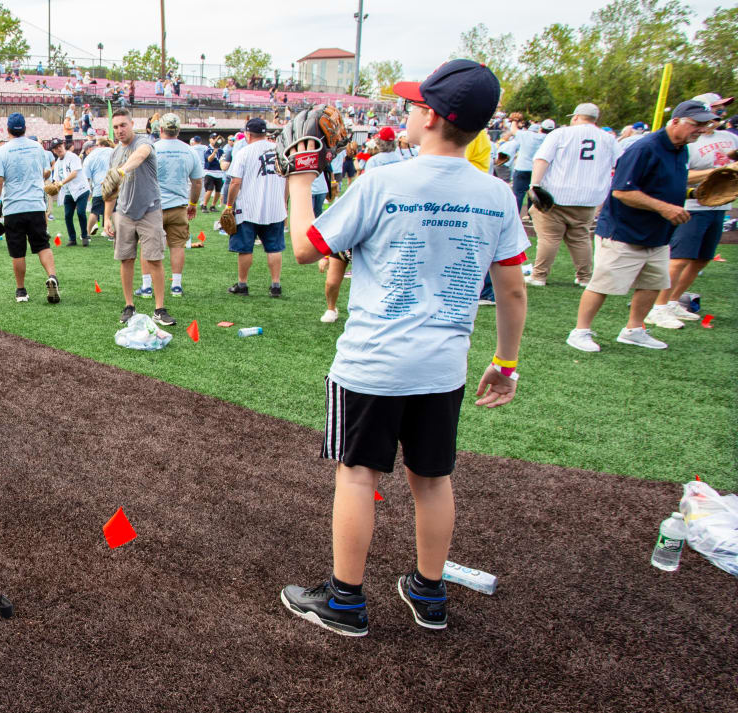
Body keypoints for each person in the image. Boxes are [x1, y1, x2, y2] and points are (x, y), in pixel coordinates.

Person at [280, 59, 529, 638]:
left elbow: (304, 248)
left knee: (358, 475)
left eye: (415, 104)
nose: (407, 111)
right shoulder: (495, 193)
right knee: (433, 478)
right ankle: (429, 591)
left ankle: (344, 601)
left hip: (373, 363)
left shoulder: (383, 181)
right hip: (443, 366)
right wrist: (507, 362)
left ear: (432, 116)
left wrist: (299, 178)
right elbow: (512, 288)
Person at [566, 100, 712, 352]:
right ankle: (580, 331)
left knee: (653, 283)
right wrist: (665, 207)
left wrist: (691, 193)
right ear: (675, 121)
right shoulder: (644, 148)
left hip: (657, 233)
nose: (700, 129)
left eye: (704, 125)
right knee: (602, 284)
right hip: (624, 231)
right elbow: (622, 191)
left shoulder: (680, 149)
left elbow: (664, 183)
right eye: (695, 124)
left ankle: (634, 329)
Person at [649, 94, 738, 328]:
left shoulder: (729, 138)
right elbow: (680, 176)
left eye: (723, 109)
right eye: (717, 108)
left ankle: (673, 301)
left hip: (720, 206)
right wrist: (720, 172)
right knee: (679, 259)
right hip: (691, 206)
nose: (721, 113)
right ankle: (657, 306)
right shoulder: (686, 142)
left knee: (702, 258)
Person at [527, 102, 619, 288]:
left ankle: (539, 275)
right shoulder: (608, 138)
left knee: (549, 238)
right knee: (581, 238)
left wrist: (535, 185)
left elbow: (542, 159)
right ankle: (584, 277)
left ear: (575, 117)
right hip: (589, 196)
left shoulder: (561, 134)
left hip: (557, 193)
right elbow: (620, 164)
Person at [103, 109, 172, 325]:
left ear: (132, 124)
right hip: (123, 212)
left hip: (149, 210)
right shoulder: (114, 153)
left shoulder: (144, 142)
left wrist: (121, 171)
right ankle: (129, 305)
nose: (119, 130)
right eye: (115, 127)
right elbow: (110, 190)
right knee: (126, 258)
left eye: (123, 125)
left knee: (154, 259)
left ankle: (159, 309)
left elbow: (140, 156)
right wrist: (106, 217)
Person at [0, 113, 61, 304]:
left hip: (14, 207)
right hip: (36, 205)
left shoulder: (1, 151)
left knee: (17, 251)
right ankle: (52, 276)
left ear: (8, 129)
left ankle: (21, 290)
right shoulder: (37, 147)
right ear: (25, 128)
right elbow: (46, 171)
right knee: (42, 245)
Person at [225, 117, 288, 297]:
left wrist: (229, 205)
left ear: (248, 134)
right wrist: (284, 202)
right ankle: (275, 284)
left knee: (245, 248)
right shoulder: (279, 151)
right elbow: (288, 179)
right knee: (274, 248)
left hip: (248, 207)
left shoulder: (244, 152)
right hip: (274, 207)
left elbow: (235, 182)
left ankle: (242, 284)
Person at [148, 112, 204, 297]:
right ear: (178, 130)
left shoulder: (152, 148)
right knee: (177, 245)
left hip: (153, 206)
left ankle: (147, 285)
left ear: (160, 129)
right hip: (178, 205)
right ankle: (176, 285)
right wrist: (193, 203)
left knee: (148, 246)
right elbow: (197, 182)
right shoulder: (189, 151)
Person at [49, 140, 91, 247]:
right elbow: (56, 180)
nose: (59, 149)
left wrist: (61, 183)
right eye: (56, 148)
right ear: (53, 151)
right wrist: (53, 186)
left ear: (63, 145)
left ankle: (85, 236)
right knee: (68, 216)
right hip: (68, 192)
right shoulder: (57, 163)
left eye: (60, 146)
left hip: (81, 189)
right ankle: (72, 239)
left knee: (81, 212)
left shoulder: (73, 157)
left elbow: (74, 173)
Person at [509, 119, 551, 208]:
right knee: (533, 195)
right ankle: (530, 216)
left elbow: (513, 130)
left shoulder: (527, 135)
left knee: (518, 194)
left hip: (522, 168)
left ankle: (516, 216)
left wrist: (514, 120)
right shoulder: (549, 138)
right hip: (538, 170)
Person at [83, 137, 115, 239]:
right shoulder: (113, 151)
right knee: (114, 211)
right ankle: (114, 235)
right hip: (114, 184)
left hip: (98, 187)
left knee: (95, 211)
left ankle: (86, 234)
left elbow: (86, 177)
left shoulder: (90, 156)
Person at [202, 136, 227, 211]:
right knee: (209, 190)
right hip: (210, 172)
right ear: (209, 139)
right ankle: (204, 205)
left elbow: (223, 159)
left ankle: (213, 206)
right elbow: (209, 159)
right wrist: (214, 151)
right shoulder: (207, 149)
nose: (215, 140)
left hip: (219, 172)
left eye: (216, 139)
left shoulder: (221, 151)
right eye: (213, 138)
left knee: (218, 191)